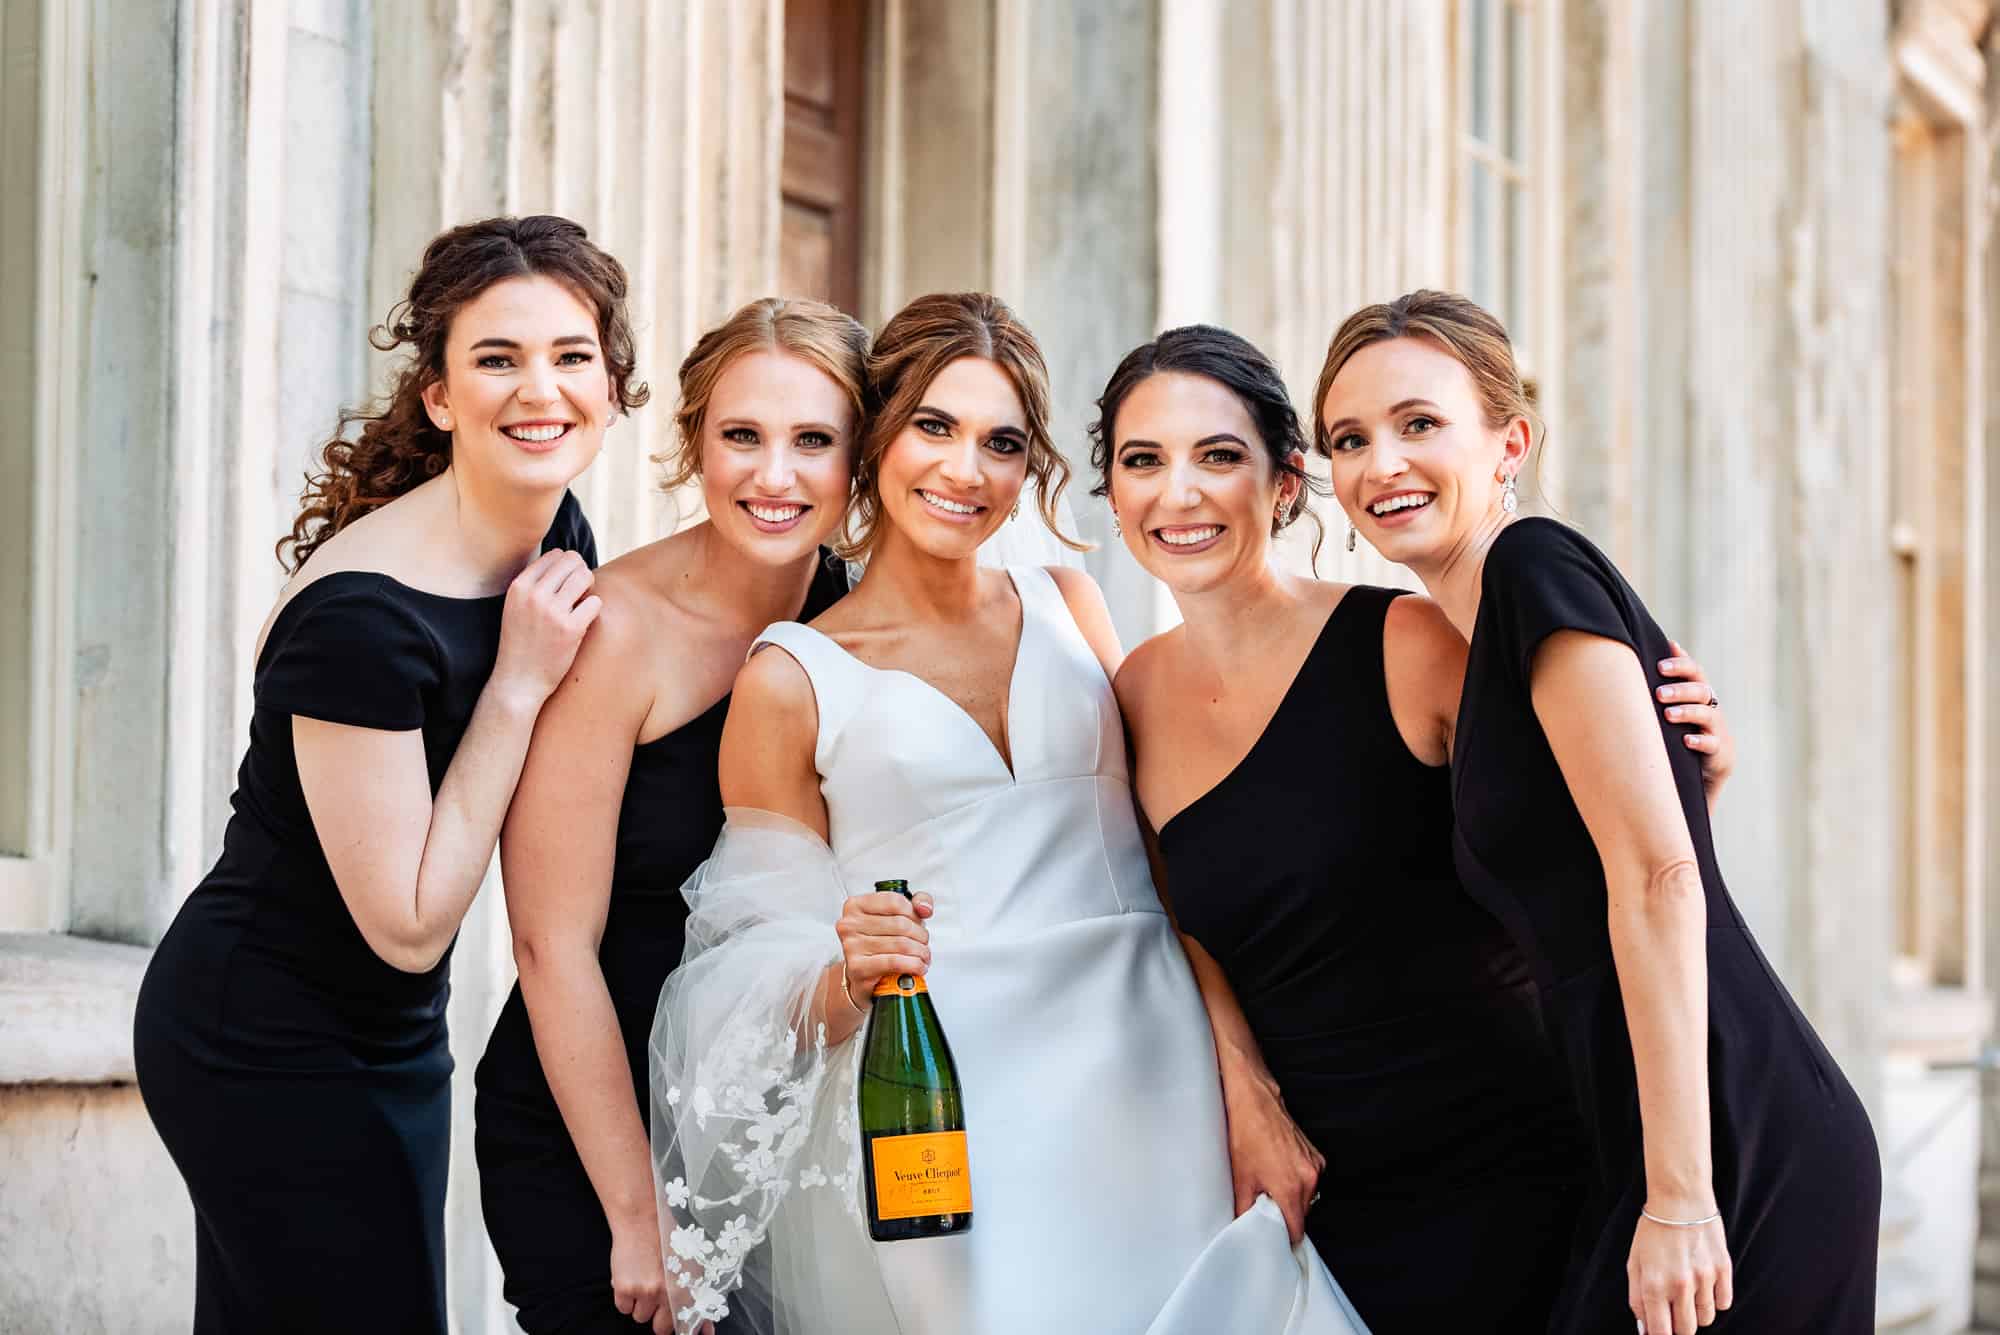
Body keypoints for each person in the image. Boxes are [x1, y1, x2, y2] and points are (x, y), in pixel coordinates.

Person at [648, 293, 1362, 1335]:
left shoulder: (1071, 602)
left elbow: (1167, 868)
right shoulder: (791, 678)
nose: (964, 470)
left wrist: (1243, 1085)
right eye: (932, 427)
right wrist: (846, 969)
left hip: (1152, 1075)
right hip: (958, 1113)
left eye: (1002, 442)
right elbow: (746, 973)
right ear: (876, 439)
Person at [1096, 323, 1736, 1332]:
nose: (1178, 492)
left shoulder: (1407, 643)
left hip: (1503, 1175)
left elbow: (1602, 855)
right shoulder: (1129, 693)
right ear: (1112, 493)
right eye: (1142, 461)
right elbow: (1165, 922)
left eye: (1218, 456)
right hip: (1312, 1197)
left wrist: (1692, 768)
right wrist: (1244, 1087)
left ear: (1281, 481)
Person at [1313, 289, 1879, 1335]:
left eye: (1418, 424)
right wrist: (1692, 787)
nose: (1379, 463)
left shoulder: (1532, 568)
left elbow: (1658, 880)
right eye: (1348, 439)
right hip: (1648, 1139)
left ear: (1508, 441)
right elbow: (1621, 844)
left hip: (1723, 1141)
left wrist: (1677, 1198)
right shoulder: (1481, 647)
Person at [133, 215, 640, 1333]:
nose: (538, 390)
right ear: (439, 397)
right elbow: (406, 923)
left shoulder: (554, 531)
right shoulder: (360, 619)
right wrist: (515, 685)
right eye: (495, 360)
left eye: (569, 356)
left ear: (612, 387)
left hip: (395, 1032)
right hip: (260, 1032)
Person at [474, 296, 867, 1335]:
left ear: (859, 459)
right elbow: (549, 944)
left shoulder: (869, 624)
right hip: (599, 1138)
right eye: (740, 435)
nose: (773, 476)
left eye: (813, 441)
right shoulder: (619, 629)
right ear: (693, 438)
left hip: (785, 1123)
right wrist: (638, 1213)